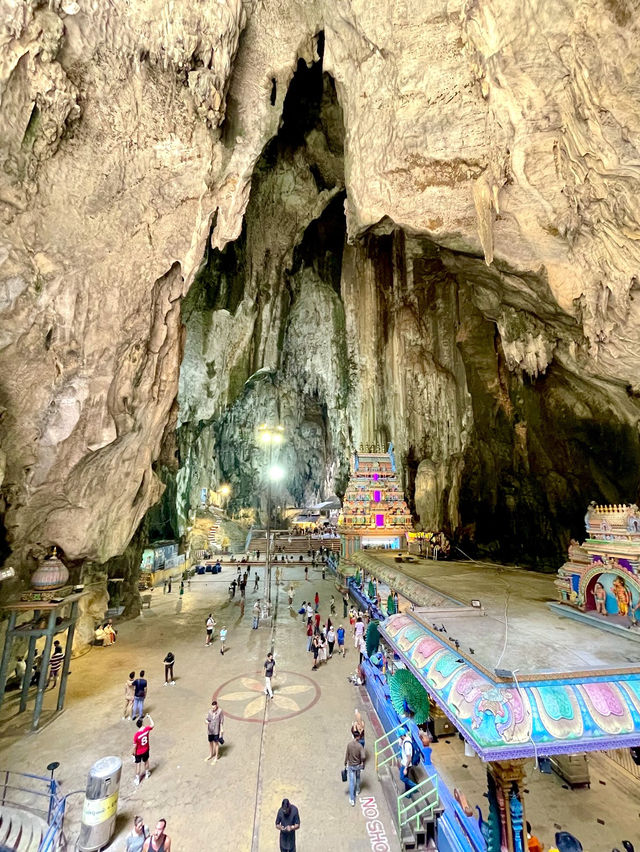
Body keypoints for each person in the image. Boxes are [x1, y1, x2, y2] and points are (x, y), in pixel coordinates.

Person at [344, 729, 366, 806]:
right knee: (358, 776)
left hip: (351, 765)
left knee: (351, 782)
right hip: (358, 765)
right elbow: (363, 756)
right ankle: (357, 790)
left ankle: (352, 799)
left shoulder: (349, 745)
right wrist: (362, 762)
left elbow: (347, 754)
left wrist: (345, 762)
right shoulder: (360, 746)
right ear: (358, 737)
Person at [132, 714, 154, 785]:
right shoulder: (146, 730)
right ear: (142, 724)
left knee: (138, 764)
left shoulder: (136, 735)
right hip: (146, 749)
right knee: (146, 761)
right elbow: (152, 724)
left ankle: (137, 779)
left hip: (138, 752)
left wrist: (133, 753)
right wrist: (149, 717)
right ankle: (147, 774)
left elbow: (135, 746)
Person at [399, 728, 417, 792]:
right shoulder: (407, 738)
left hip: (406, 763)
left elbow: (409, 758)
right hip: (405, 762)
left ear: (402, 736)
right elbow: (400, 744)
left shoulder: (407, 745)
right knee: (406, 777)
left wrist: (405, 768)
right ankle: (408, 793)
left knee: (402, 777)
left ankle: (414, 786)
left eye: (400, 736)